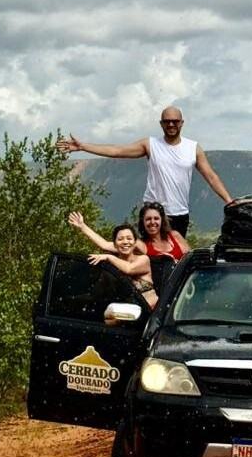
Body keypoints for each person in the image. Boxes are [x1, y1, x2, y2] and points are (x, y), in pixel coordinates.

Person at [56, 106, 232, 235]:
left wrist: (229, 201)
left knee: (175, 261)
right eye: (167, 121)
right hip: (152, 214)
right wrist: (83, 147)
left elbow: (211, 177)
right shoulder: (150, 145)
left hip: (179, 213)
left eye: (175, 121)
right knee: (150, 258)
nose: (171, 124)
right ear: (161, 123)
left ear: (182, 123)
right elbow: (118, 151)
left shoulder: (193, 148)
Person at [68, 205, 190, 260]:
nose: (152, 222)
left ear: (162, 220)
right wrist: (83, 227)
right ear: (143, 223)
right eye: (148, 219)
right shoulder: (141, 245)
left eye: (156, 218)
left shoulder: (174, 236)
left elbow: (191, 257)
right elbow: (105, 245)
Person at [86, 224, 158, 309]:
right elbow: (95, 295)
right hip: (125, 314)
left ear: (135, 243)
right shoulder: (112, 269)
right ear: (115, 244)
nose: (125, 242)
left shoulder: (143, 260)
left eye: (129, 238)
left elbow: (129, 269)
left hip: (152, 312)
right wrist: (82, 225)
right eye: (120, 239)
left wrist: (109, 257)